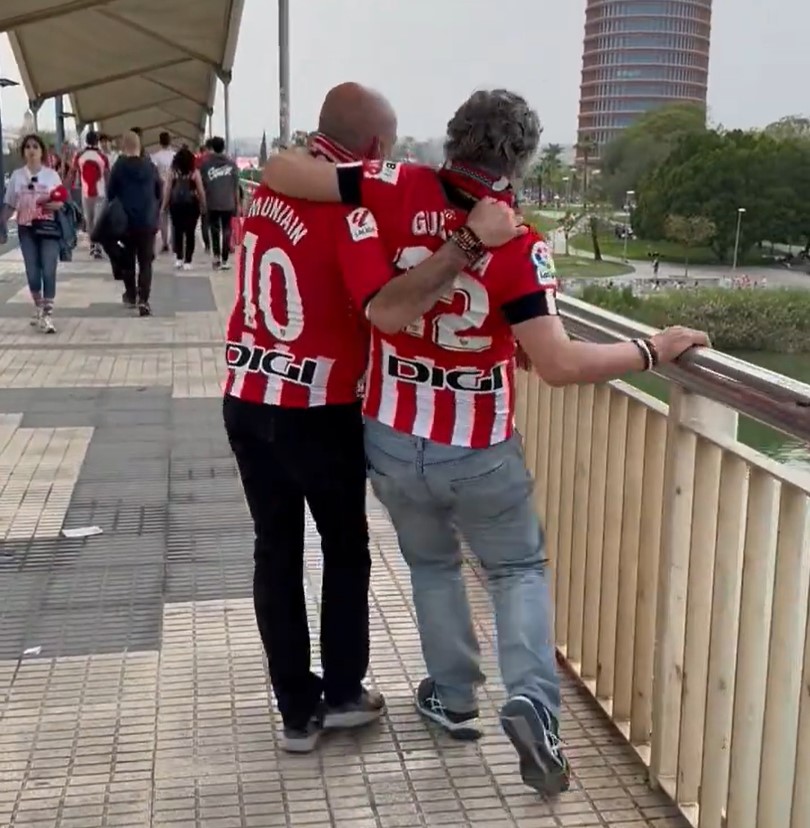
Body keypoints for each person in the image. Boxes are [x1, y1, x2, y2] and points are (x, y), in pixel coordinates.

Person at [263, 87, 710, 796]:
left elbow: (284, 173)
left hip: (388, 432)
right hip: (478, 446)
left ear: (452, 137)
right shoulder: (521, 245)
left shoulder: (392, 183)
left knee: (434, 567)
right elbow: (560, 363)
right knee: (516, 572)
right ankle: (532, 701)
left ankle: (454, 697)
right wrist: (652, 348)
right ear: (522, 158)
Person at [223, 82, 523, 756]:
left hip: (245, 396)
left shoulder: (263, 192)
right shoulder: (354, 210)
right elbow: (382, 306)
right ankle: (344, 695)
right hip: (318, 406)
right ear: (378, 149)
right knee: (343, 547)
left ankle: (295, 713)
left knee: (274, 548)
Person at [1, 134, 68, 333]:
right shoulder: (16, 176)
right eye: (28, 147)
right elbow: (10, 204)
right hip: (26, 228)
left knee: (48, 269)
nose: (31, 150)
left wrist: (47, 203)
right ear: (23, 152)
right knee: (32, 272)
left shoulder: (51, 176)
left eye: (35, 147)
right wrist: (2, 224)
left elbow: (61, 201)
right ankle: (38, 306)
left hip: (48, 229)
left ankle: (47, 313)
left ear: (41, 152)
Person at [107, 130, 161, 316]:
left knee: (128, 260)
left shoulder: (118, 167)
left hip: (126, 222)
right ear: (140, 146)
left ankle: (131, 295)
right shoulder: (150, 167)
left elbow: (110, 194)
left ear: (124, 146)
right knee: (145, 262)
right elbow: (158, 192)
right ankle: (144, 300)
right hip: (147, 221)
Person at [162, 146, 206, 269]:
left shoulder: (172, 172)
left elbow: (167, 190)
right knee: (190, 233)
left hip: (176, 205)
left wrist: (164, 206)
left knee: (177, 231)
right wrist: (203, 205)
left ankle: (179, 258)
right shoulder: (194, 172)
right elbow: (201, 190)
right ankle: (188, 261)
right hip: (192, 205)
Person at [199, 136, 239, 270]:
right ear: (223, 147)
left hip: (212, 202)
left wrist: (203, 202)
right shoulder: (232, 164)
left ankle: (216, 257)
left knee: (214, 230)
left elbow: (202, 184)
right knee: (227, 229)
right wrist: (237, 204)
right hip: (229, 202)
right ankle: (225, 259)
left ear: (211, 148)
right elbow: (236, 186)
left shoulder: (205, 164)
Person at [69, 130, 110, 259]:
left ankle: (93, 245)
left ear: (86, 141)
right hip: (101, 192)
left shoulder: (79, 155)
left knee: (89, 219)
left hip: (86, 192)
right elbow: (107, 175)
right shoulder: (103, 157)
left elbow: (73, 172)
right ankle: (97, 246)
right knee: (98, 220)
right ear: (97, 141)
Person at [151, 131, 176, 254]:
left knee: (163, 216)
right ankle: (173, 241)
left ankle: (165, 242)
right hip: (174, 189)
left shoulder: (155, 157)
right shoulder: (175, 156)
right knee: (173, 217)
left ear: (160, 142)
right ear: (170, 141)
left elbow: (154, 174)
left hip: (161, 188)